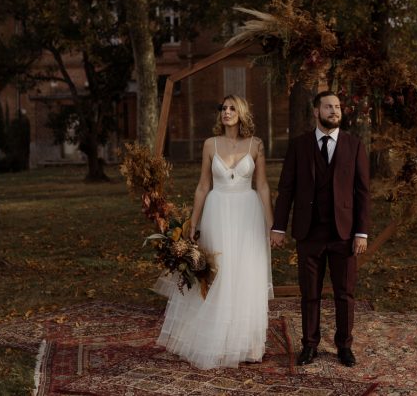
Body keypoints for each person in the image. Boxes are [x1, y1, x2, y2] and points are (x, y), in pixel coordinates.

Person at [155, 94, 274, 370]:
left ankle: (246, 343)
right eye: (223, 108)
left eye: (232, 108)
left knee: (245, 275)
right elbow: (202, 186)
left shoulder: (256, 144)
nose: (226, 112)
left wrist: (271, 224)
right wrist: (193, 223)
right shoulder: (210, 144)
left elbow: (264, 185)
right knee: (217, 274)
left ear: (242, 112)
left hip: (248, 213)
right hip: (217, 211)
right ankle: (215, 341)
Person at [270, 90, 370, 368]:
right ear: (316, 111)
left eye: (337, 106)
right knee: (309, 293)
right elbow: (286, 188)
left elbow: (363, 192)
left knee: (344, 293)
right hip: (309, 233)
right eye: (328, 107)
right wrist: (278, 226)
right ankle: (310, 345)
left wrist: (361, 232)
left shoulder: (354, 145)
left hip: (344, 233)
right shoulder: (299, 145)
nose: (335, 111)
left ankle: (344, 346)